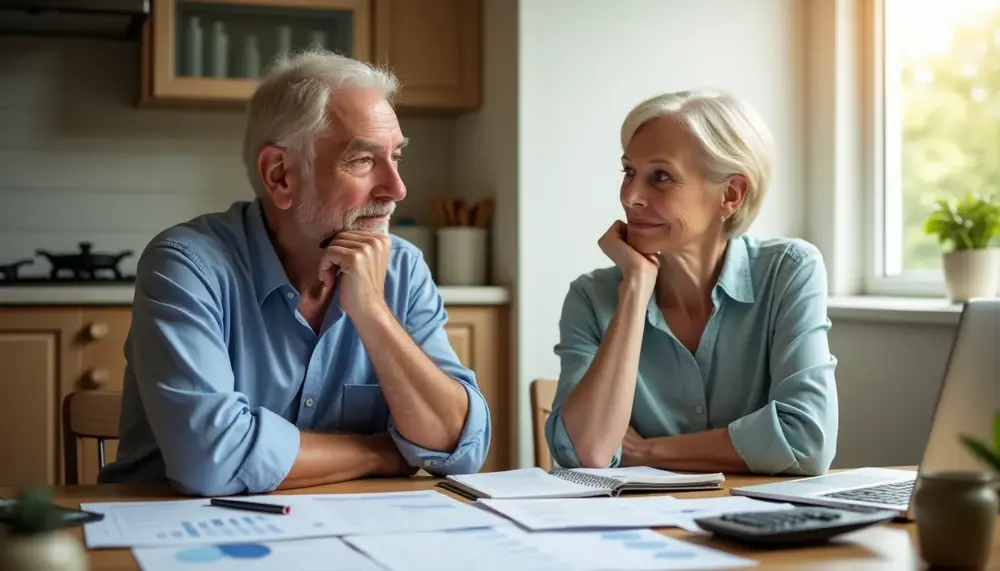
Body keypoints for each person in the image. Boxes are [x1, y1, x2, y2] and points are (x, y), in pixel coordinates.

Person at [98, 50, 491, 496]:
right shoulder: (186, 265)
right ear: (280, 175)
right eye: (363, 160)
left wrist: (373, 313)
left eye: (395, 157)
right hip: (167, 537)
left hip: (343, 534)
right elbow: (209, 461)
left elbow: (459, 447)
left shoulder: (401, 268)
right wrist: (387, 452)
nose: (397, 188)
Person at [545, 89, 838, 477]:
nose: (631, 196)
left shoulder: (789, 271)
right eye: (629, 171)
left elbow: (806, 440)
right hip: (631, 527)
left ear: (730, 194)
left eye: (661, 177)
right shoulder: (591, 296)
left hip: (756, 527)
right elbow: (588, 455)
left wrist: (648, 452)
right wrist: (635, 288)